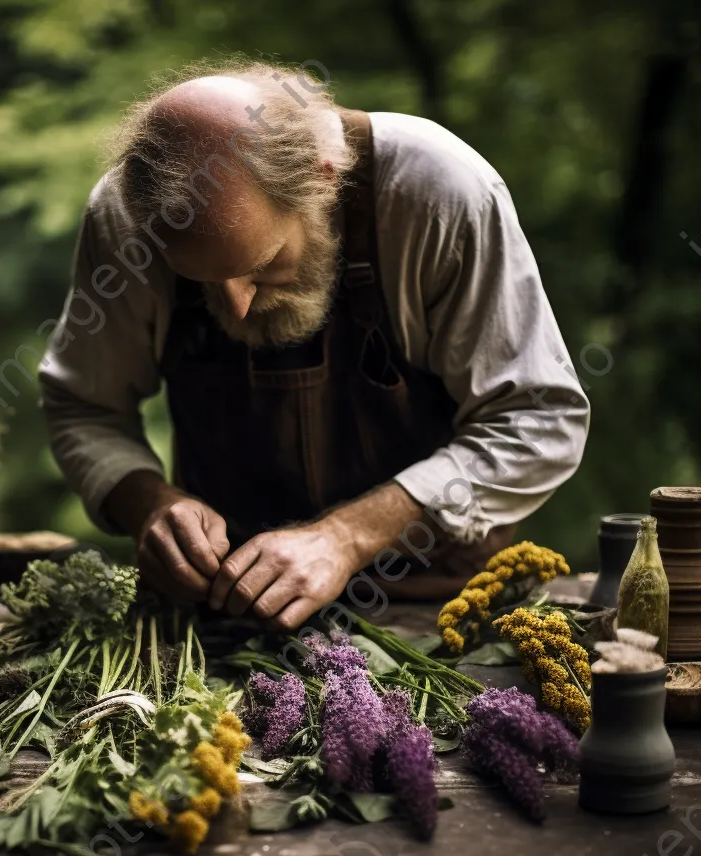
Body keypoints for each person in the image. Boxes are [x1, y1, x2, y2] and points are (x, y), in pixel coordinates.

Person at [38, 60, 589, 630]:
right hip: (225, 622)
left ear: (324, 181)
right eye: (202, 282)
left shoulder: (437, 192)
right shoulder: (128, 216)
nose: (235, 308)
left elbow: (537, 419)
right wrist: (148, 502)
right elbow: (84, 406)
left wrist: (348, 536)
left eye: (263, 264)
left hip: (438, 613)